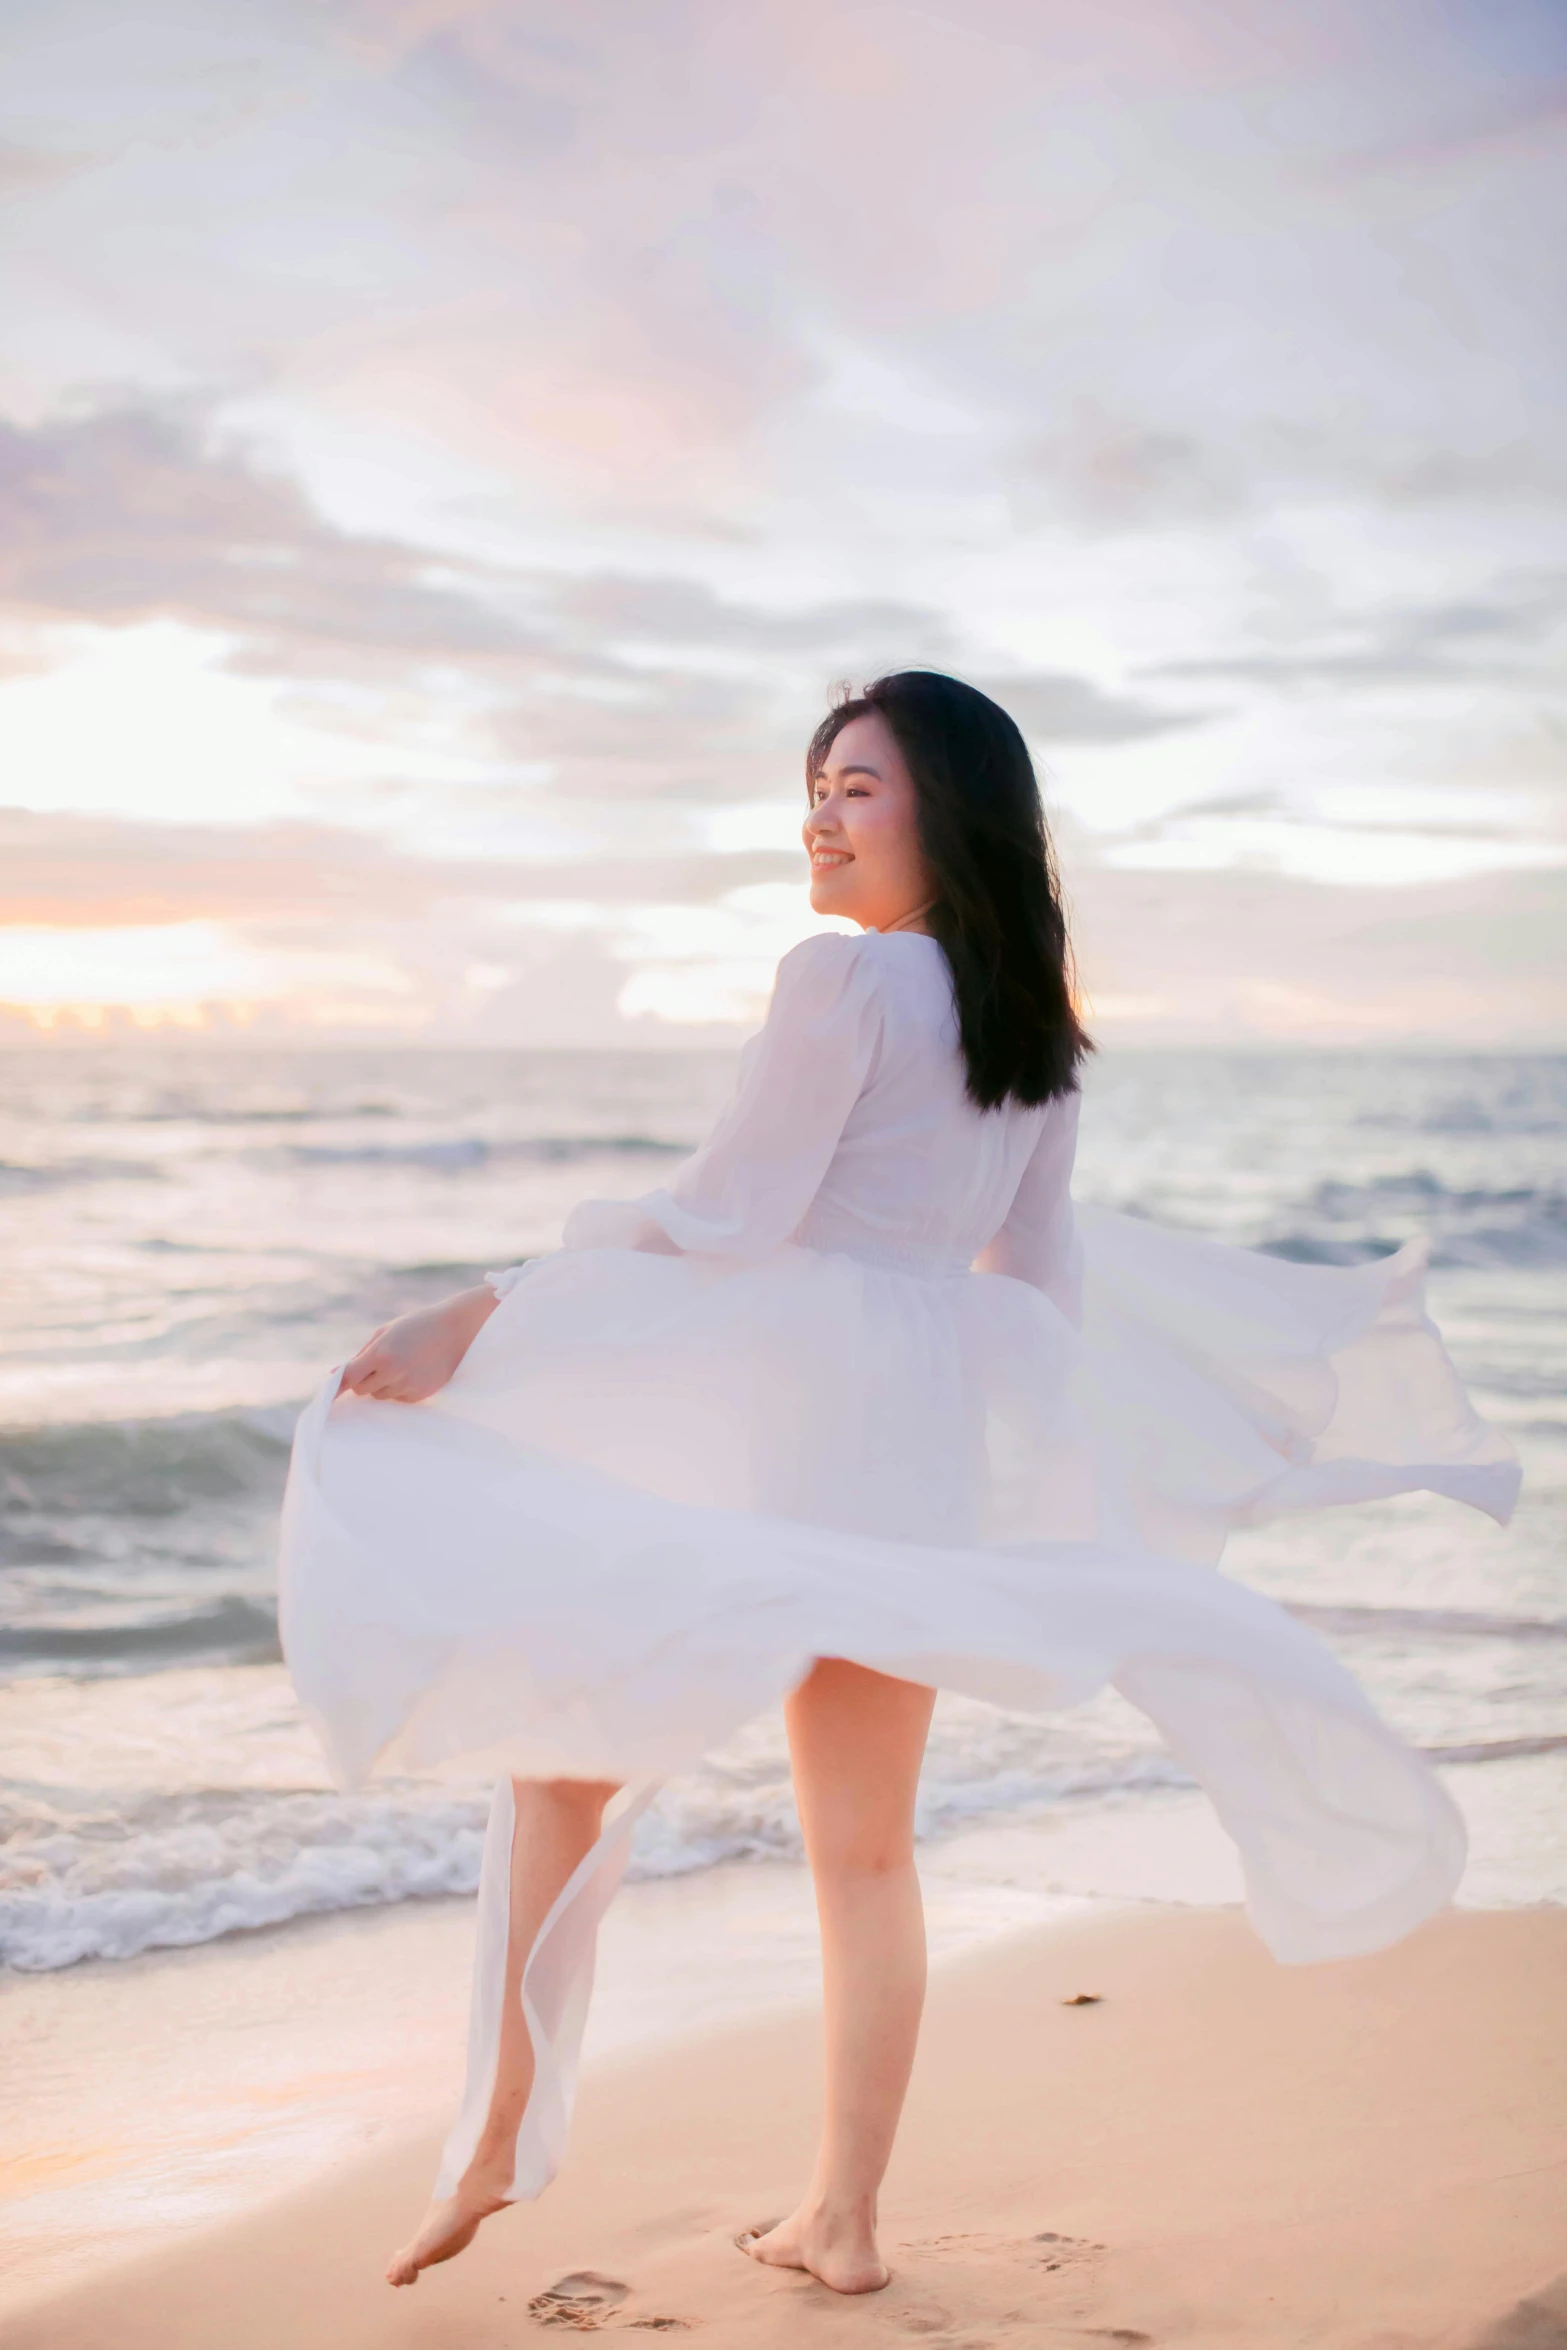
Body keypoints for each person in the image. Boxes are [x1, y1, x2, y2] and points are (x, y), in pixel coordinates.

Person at [278, 671, 1518, 2299]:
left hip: (791, 1428)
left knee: (555, 1745)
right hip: (913, 1438)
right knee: (861, 1851)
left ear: (945, 804)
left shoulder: (839, 982)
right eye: (816, 782)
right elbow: (1034, 1281)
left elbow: (729, 1214)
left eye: (857, 784)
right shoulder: (1036, 1028)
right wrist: (1045, 1488)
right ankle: (842, 2218)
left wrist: (481, 1309)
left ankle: (505, 2126)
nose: (820, 811)